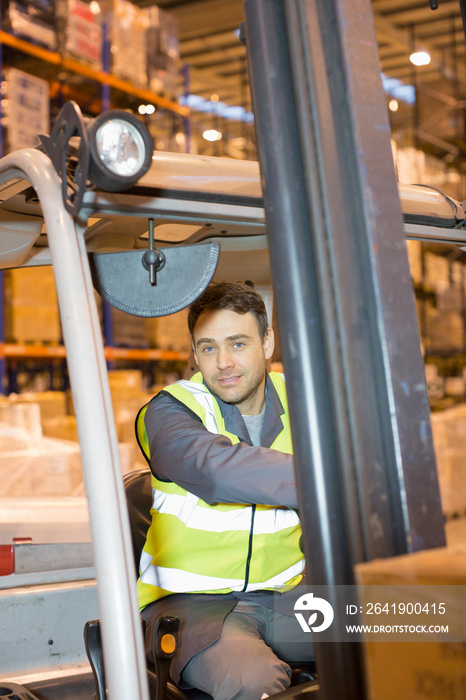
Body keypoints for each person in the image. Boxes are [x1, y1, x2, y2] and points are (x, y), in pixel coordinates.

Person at [136, 281, 314, 700]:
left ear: (267, 342)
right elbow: (215, 470)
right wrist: (333, 481)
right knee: (253, 680)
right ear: (194, 354)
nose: (224, 363)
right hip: (189, 607)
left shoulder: (307, 402)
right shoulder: (170, 410)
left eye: (237, 343)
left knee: (411, 625)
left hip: (286, 596)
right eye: (208, 348)